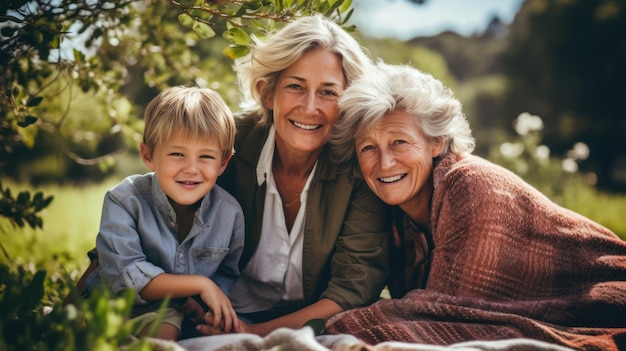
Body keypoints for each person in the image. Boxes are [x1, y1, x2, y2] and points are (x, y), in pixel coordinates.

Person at [325, 62, 626, 350]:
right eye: (368, 148)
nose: (385, 162)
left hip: (607, 300)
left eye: (399, 142)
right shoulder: (392, 218)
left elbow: (445, 314)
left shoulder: (468, 183)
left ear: (436, 141)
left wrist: (333, 328)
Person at [194, 14, 391, 337]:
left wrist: (254, 332)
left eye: (328, 92)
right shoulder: (226, 142)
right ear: (267, 94)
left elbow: (352, 288)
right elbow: (163, 210)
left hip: (312, 323)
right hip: (218, 311)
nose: (310, 107)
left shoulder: (358, 166)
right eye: (296, 87)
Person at [93, 86, 245, 340]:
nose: (192, 169)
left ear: (223, 162)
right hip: (109, 303)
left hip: (169, 313)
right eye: (177, 154)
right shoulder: (124, 200)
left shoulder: (229, 214)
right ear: (148, 155)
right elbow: (127, 275)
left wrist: (203, 303)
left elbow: (227, 275)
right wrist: (200, 285)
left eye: (206, 156)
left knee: (166, 330)